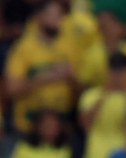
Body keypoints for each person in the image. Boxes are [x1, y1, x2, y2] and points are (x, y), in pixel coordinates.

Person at [5, 0, 76, 133]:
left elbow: (79, 86)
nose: (58, 19)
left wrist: (71, 77)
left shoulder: (68, 46)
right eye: (53, 15)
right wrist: (44, 78)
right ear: (39, 17)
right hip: (29, 127)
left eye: (60, 15)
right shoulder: (23, 48)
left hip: (61, 126)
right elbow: (12, 88)